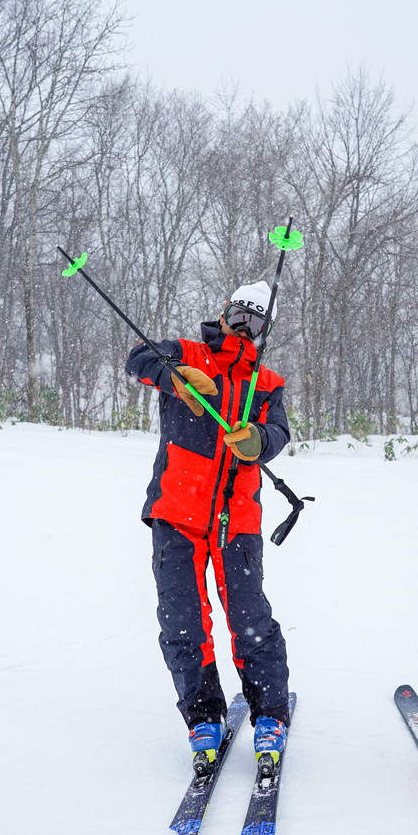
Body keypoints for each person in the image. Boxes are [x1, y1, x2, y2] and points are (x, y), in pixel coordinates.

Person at [125, 281, 292, 774]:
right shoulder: (186, 352)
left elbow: (279, 432)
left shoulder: (267, 382)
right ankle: (202, 715)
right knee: (182, 622)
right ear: (224, 313)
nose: (243, 328)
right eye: (238, 315)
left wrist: (258, 438)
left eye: (255, 322)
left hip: (235, 520)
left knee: (250, 622)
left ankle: (270, 715)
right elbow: (138, 358)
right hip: (176, 514)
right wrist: (175, 377)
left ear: (265, 332)